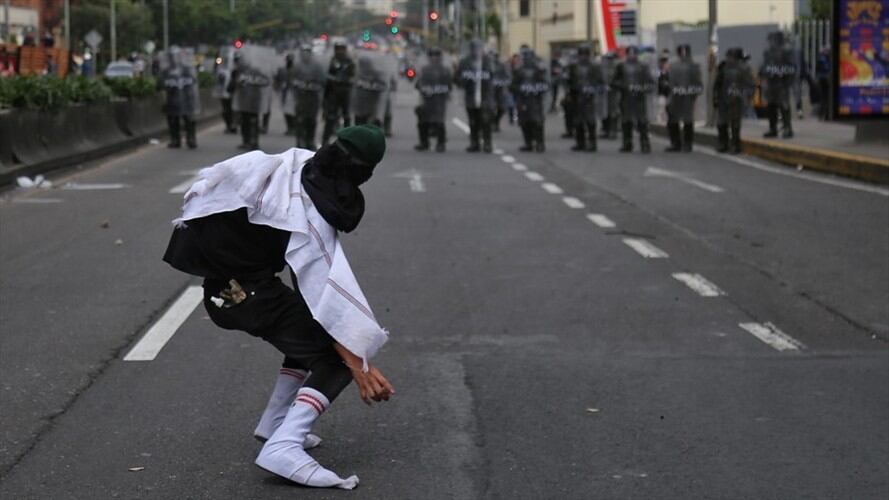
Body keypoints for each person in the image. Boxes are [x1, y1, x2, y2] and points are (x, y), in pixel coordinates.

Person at [162, 124, 393, 490]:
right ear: (365, 173)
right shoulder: (313, 211)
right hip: (242, 293)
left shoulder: (300, 163)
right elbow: (324, 296)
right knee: (333, 360)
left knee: (312, 335)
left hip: (229, 287)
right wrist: (358, 362)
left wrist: (356, 355)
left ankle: (274, 424)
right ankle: (284, 445)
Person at [611, 46, 655, 153]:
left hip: (639, 98)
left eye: (634, 53)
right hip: (626, 97)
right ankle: (627, 143)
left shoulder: (643, 67)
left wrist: (642, 88)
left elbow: (651, 83)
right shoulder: (621, 66)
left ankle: (645, 143)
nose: (632, 55)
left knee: (642, 122)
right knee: (626, 122)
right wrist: (623, 86)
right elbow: (614, 81)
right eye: (630, 53)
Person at [457, 39, 496, 153]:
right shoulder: (465, 62)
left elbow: (493, 76)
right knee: (473, 121)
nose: (477, 50)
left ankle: (487, 143)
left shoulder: (488, 61)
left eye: (479, 47)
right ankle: (474, 143)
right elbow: (458, 78)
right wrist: (465, 80)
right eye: (474, 48)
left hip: (485, 96)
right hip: (471, 96)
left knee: (486, 121)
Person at [714, 47, 755, 154]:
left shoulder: (744, 68)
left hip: (737, 99)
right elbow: (717, 84)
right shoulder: (723, 67)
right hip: (724, 98)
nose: (729, 59)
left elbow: (750, 84)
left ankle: (735, 145)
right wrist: (716, 98)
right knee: (721, 123)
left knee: (735, 123)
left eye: (731, 56)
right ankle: (723, 143)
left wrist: (746, 97)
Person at [159, 46, 200, 149]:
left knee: (189, 119)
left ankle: (191, 139)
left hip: (187, 98)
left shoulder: (187, 68)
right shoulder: (167, 70)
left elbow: (193, 80)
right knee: (173, 119)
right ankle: (175, 139)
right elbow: (161, 84)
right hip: (172, 98)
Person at [663, 44, 703, 152]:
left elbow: (698, 84)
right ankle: (684, 144)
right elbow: (698, 84)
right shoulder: (693, 66)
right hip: (682, 96)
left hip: (680, 96)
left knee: (680, 120)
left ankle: (679, 144)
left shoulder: (675, 66)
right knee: (683, 120)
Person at [229, 52, 271, 150]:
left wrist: (253, 81)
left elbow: (266, 81)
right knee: (244, 121)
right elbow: (231, 85)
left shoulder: (255, 70)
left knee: (253, 120)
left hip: (254, 100)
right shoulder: (237, 71)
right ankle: (245, 141)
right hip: (242, 100)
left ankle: (254, 141)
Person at [567, 44, 605, 152]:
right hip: (576, 96)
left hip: (589, 97)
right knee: (578, 121)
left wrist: (593, 89)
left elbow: (600, 82)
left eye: (585, 54)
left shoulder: (594, 67)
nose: (583, 57)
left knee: (590, 121)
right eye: (581, 54)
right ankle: (580, 143)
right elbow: (569, 80)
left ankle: (592, 143)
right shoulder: (573, 66)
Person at [512, 46, 550, 152]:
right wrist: (520, 89)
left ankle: (540, 143)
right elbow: (513, 85)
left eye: (528, 56)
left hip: (536, 100)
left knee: (537, 122)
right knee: (524, 122)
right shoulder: (518, 71)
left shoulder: (539, 70)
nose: (527, 59)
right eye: (525, 56)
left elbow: (546, 84)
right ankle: (528, 143)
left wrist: (537, 89)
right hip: (523, 100)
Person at [414, 47, 452, 152]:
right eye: (431, 55)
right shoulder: (424, 70)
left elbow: (449, 85)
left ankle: (441, 143)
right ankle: (424, 142)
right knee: (423, 121)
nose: (434, 58)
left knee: (439, 122)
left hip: (439, 100)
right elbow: (417, 85)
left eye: (436, 55)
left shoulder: (445, 70)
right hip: (426, 99)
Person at [760, 31, 796, 138]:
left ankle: (787, 128)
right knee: (771, 107)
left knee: (784, 106)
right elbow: (764, 65)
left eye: (773, 40)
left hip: (782, 83)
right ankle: (773, 128)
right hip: (771, 84)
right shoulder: (768, 52)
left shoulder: (786, 51)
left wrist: (787, 78)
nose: (771, 42)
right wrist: (763, 72)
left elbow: (792, 67)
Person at [291, 45, 326, 150]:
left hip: (313, 96)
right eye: (303, 52)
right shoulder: (296, 66)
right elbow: (291, 79)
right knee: (300, 119)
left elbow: (323, 81)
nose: (305, 54)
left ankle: (310, 140)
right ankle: (300, 140)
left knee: (311, 119)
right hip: (300, 96)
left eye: (307, 52)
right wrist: (298, 84)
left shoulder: (317, 66)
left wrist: (314, 85)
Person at [321, 41, 356, 145]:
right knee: (330, 117)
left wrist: (346, 80)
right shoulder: (331, 61)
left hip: (345, 92)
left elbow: (353, 76)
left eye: (342, 49)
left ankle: (347, 140)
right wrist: (334, 79)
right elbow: (325, 75)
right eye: (338, 49)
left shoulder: (349, 62)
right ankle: (325, 139)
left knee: (347, 117)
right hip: (333, 92)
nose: (340, 51)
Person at [352, 53, 388, 128]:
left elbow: (383, 85)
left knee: (369, 127)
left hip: (371, 107)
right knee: (359, 126)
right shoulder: (356, 74)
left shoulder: (375, 74)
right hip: (359, 106)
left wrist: (371, 86)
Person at [213, 52, 237, 134]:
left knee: (233, 108)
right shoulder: (220, 67)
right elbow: (216, 67)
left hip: (232, 90)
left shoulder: (235, 66)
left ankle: (234, 124)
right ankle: (228, 125)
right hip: (223, 90)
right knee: (225, 109)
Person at [274, 53, 298, 135]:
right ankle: (290, 127)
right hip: (285, 92)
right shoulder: (282, 70)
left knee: (293, 111)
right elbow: (277, 79)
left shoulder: (296, 70)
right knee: (286, 111)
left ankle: (294, 128)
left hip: (293, 93)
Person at [599, 51, 619, 139]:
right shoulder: (602, 68)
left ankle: (613, 131)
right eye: (607, 59)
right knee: (604, 111)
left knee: (613, 112)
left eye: (611, 59)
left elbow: (621, 79)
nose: (609, 61)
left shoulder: (618, 68)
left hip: (614, 92)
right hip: (603, 93)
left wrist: (614, 85)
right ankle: (606, 130)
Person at [490, 51, 511, 132]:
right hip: (489, 91)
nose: (493, 58)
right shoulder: (486, 65)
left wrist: (502, 83)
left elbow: (508, 77)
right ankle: (492, 124)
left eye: (495, 56)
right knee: (489, 108)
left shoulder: (502, 65)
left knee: (502, 108)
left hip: (500, 90)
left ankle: (496, 121)